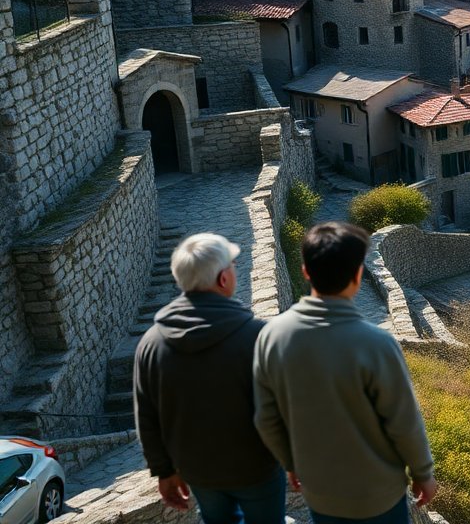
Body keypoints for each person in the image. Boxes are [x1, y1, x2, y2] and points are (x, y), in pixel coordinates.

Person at [253, 222, 437, 524]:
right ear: (358, 275)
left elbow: (265, 418)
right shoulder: (377, 344)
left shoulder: (271, 337)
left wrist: (290, 462)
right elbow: (403, 421)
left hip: (321, 492)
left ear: (305, 272)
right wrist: (423, 473)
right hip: (380, 494)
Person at [133, 233, 285, 524]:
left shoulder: (151, 343)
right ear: (223, 279)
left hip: (197, 470)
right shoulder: (257, 336)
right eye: (233, 265)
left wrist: (163, 471)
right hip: (256, 468)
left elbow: (147, 416)